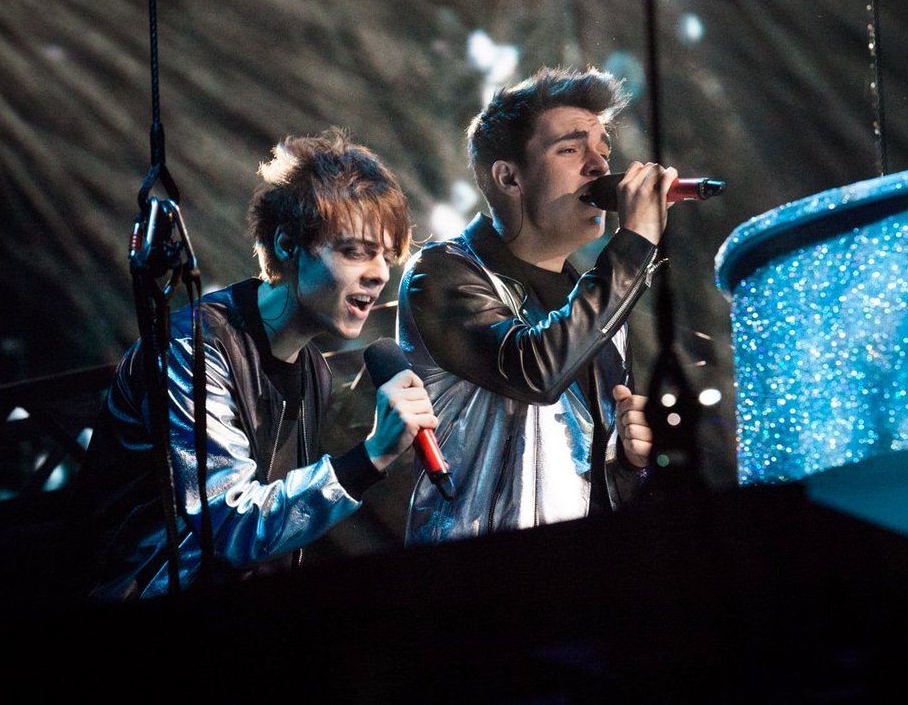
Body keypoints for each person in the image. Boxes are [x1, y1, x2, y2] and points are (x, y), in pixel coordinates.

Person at [70, 129, 436, 600]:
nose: (380, 273)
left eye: (386, 257)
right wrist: (370, 457)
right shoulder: (192, 349)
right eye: (354, 252)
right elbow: (229, 526)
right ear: (287, 244)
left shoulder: (313, 370)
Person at [396, 66, 677, 544]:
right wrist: (634, 245)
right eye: (571, 149)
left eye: (603, 152)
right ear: (509, 178)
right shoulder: (441, 274)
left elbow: (595, 482)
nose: (599, 167)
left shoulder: (600, 300)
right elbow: (535, 371)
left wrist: (630, 463)